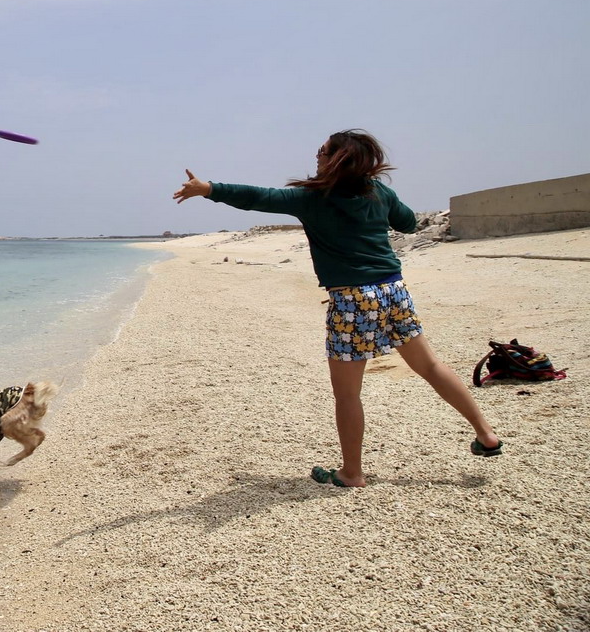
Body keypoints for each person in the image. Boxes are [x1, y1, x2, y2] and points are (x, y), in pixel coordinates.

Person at [172, 129, 501, 488]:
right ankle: (486, 435)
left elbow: (260, 197)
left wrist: (210, 189)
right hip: (394, 291)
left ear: (339, 158)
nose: (317, 156)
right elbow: (407, 223)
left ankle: (351, 473)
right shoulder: (380, 191)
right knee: (431, 366)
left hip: (353, 300)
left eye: (323, 151)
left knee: (347, 393)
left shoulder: (314, 198)